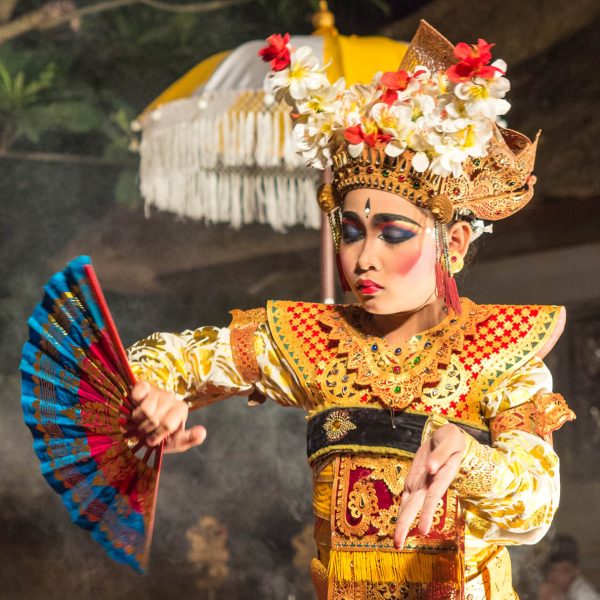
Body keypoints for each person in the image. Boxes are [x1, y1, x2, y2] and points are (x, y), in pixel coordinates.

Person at [125, 21, 575, 599]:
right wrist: (151, 392)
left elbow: (534, 510)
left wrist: (469, 459)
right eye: (352, 231)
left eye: (392, 234)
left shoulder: (502, 350)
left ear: (454, 246)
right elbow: (177, 356)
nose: (362, 259)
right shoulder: (312, 341)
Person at [538, 535, 600, 600]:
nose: (556, 576)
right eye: (552, 570)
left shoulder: (584, 596)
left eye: (564, 570)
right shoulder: (558, 592)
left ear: (576, 570)